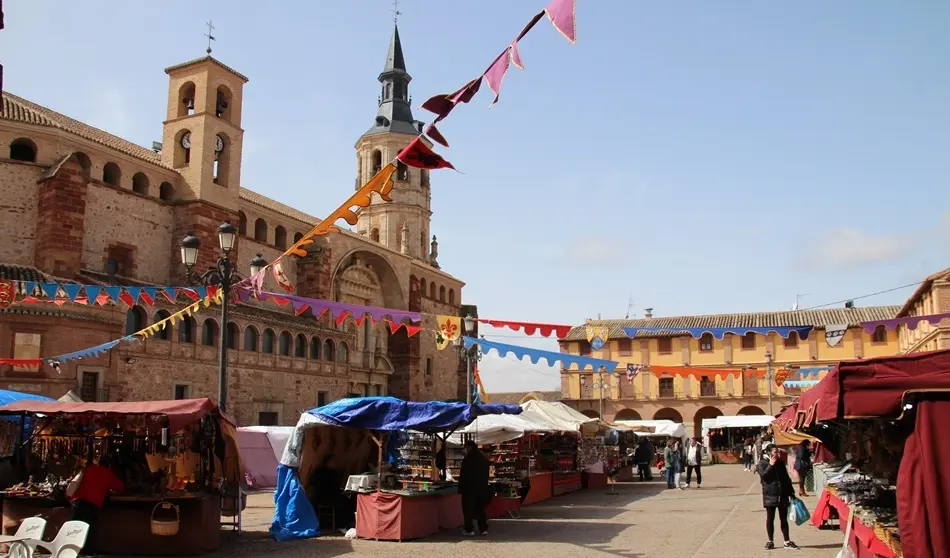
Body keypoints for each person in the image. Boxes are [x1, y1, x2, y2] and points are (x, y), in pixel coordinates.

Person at [70, 455, 125, 551]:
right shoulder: (107, 473)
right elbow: (121, 487)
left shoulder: (88, 469)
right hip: (93, 503)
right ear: (110, 466)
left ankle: (71, 549)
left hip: (77, 501)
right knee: (89, 529)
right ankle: (87, 551)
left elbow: (74, 482)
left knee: (75, 528)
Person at [757, 444, 799, 550]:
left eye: (777, 451)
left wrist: (791, 492)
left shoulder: (780, 463)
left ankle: (787, 541)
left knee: (783, 519)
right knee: (770, 519)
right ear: (768, 452)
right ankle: (770, 541)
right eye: (775, 452)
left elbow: (786, 478)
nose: (777, 454)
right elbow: (764, 476)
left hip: (782, 495)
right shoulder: (762, 463)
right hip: (770, 495)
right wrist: (771, 465)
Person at [459, 440, 490, 536]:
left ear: (469, 447)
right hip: (482, 488)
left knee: (468, 509)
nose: (466, 449)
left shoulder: (468, 458)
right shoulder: (484, 457)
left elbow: (464, 474)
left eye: (466, 447)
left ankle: (469, 529)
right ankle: (483, 529)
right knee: (480, 509)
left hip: (469, 489)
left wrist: (461, 487)